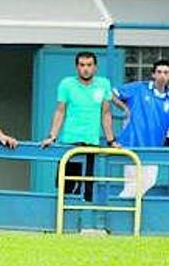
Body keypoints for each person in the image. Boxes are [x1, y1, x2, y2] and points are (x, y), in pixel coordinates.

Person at [40, 52, 117, 202]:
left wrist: (111, 140)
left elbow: (106, 114)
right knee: (65, 187)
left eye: (89, 65)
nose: (85, 69)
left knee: (88, 189)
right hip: (69, 142)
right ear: (77, 67)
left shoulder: (104, 84)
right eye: (82, 65)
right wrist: (52, 136)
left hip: (91, 143)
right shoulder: (67, 84)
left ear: (95, 67)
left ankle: (83, 224)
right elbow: (60, 110)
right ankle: (61, 223)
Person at [111, 59, 169, 198]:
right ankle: (120, 211)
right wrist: (125, 108)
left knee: (149, 181)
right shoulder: (139, 88)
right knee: (132, 184)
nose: (162, 75)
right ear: (153, 74)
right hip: (132, 145)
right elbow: (112, 93)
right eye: (159, 72)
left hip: (153, 149)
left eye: (166, 72)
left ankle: (119, 207)